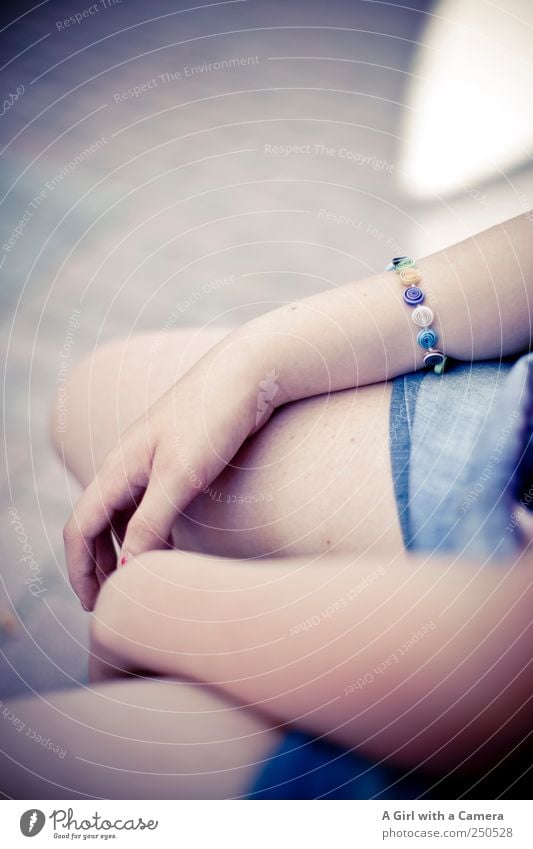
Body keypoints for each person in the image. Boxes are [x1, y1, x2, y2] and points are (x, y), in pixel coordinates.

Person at [0, 212, 531, 799]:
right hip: (507, 447)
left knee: (34, 770)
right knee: (100, 397)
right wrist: (258, 357)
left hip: (478, 676)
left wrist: (145, 605)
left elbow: (498, 667)